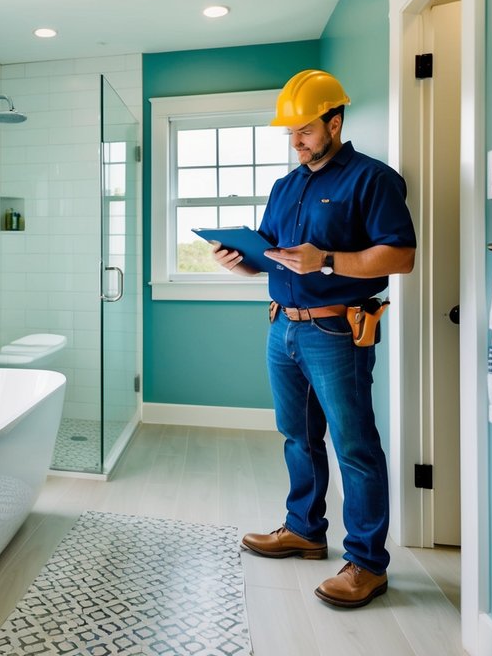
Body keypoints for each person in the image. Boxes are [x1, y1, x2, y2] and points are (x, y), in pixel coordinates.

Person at [211, 69, 416, 609]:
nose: (296, 142)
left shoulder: (374, 179)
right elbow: (273, 255)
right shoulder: (286, 186)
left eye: (304, 130)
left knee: (354, 445)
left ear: (335, 121)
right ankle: (304, 530)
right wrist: (243, 263)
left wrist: (326, 259)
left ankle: (368, 564)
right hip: (282, 327)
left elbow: (401, 256)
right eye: (290, 134)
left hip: (337, 329)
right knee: (297, 437)